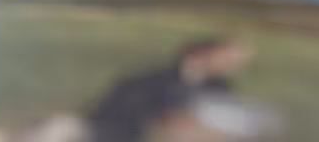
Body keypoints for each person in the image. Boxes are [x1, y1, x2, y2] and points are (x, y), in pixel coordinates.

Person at [83, 38, 257, 142]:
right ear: (200, 55)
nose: (235, 67)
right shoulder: (146, 81)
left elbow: (232, 121)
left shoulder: (221, 86)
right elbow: (119, 117)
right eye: (228, 59)